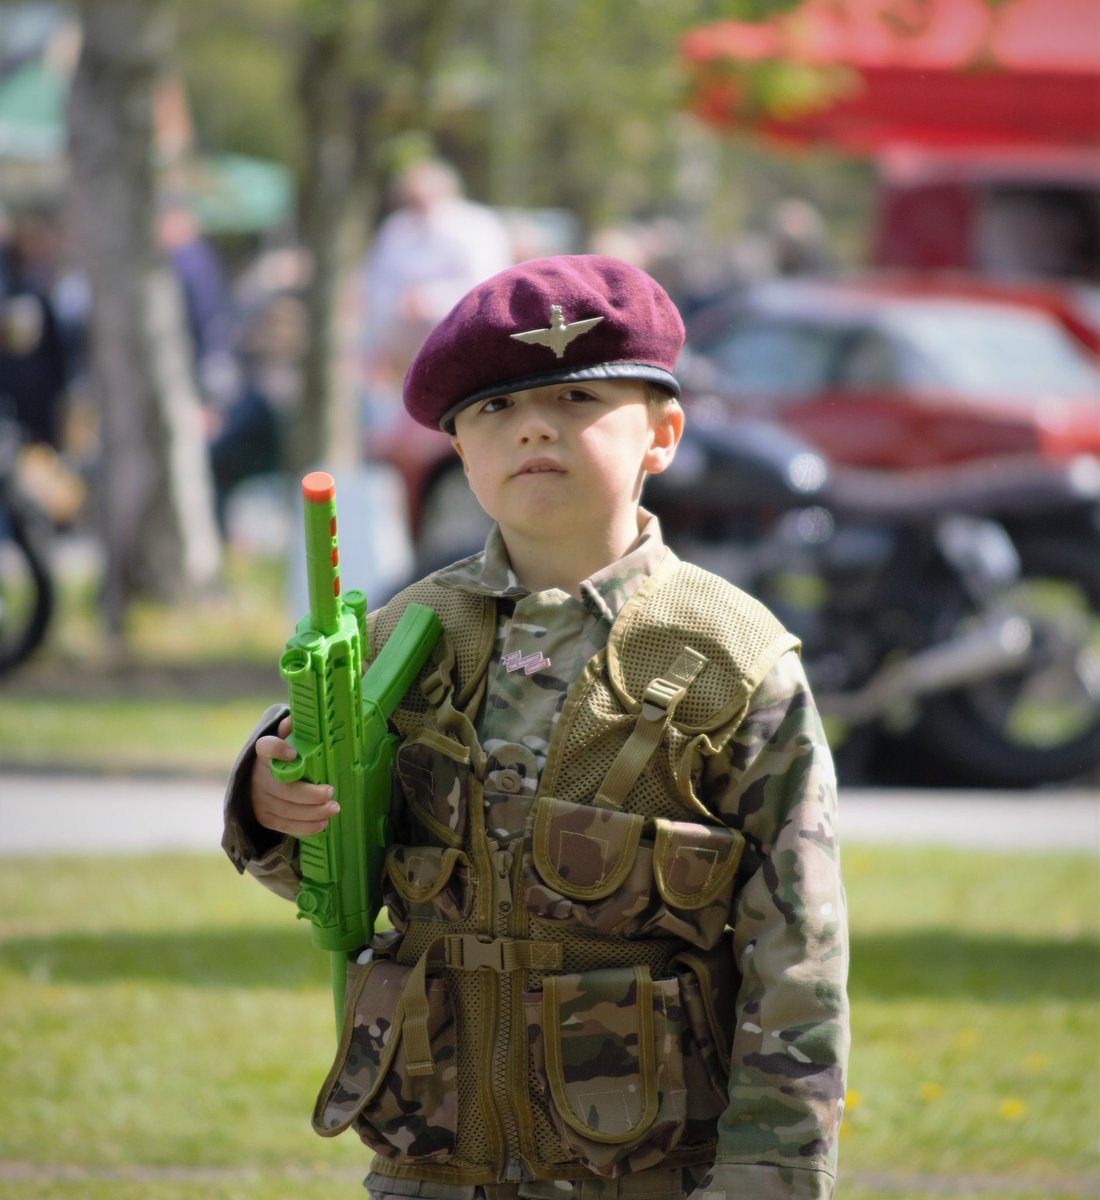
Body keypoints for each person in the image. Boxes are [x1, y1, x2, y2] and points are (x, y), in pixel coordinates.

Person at [222, 255, 850, 1199]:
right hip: (432, 1163)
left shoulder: (732, 661)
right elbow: (334, 870)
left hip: (648, 1173)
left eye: (576, 396)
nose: (533, 428)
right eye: (492, 411)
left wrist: (770, 1173)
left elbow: (797, 951)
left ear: (663, 434)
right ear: (459, 453)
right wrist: (272, 802)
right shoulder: (404, 638)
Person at [359, 158, 513, 420]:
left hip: (462, 351)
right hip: (402, 358)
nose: (417, 205)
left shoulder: (476, 227)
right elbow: (374, 285)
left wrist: (429, 300)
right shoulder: (396, 230)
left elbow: (487, 285)